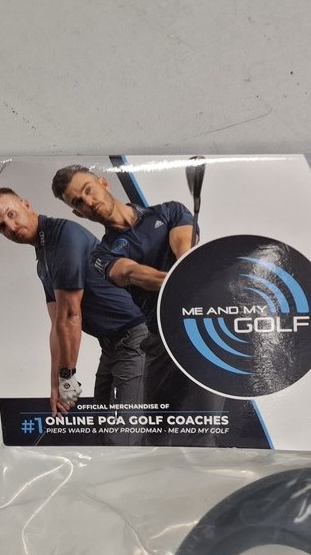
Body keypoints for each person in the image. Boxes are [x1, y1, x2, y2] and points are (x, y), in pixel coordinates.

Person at [0, 188, 152, 444]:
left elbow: (71, 315)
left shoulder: (63, 236)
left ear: (26, 204)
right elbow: (57, 325)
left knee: (122, 436)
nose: (11, 227)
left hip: (137, 339)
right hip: (112, 345)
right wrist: (56, 385)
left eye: (11, 214)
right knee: (102, 429)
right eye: (1, 227)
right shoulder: (43, 260)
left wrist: (67, 377)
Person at [50, 165, 201, 419]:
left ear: (103, 183)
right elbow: (131, 273)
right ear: (79, 213)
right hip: (160, 341)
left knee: (204, 426)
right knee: (156, 431)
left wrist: (185, 272)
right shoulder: (102, 254)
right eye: (79, 202)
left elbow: (184, 252)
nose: (89, 202)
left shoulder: (170, 211)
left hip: (201, 329)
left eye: (89, 190)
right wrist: (178, 281)